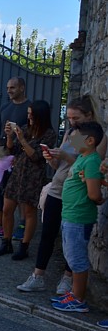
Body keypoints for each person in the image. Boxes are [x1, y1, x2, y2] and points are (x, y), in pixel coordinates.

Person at [17, 95, 107, 293]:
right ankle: (37, 276)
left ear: (89, 115)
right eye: (69, 118)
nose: (72, 122)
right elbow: (61, 166)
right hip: (58, 190)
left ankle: (68, 279)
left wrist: (66, 156)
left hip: (77, 195)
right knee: (48, 234)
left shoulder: (98, 138)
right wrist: (52, 159)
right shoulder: (69, 133)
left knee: (72, 239)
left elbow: (90, 168)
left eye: (76, 118)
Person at [51, 122, 106, 313]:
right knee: (71, 256)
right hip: (71, 215)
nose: (71, 141)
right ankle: (74, 293)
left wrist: (99, 199)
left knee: (77, 259)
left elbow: (93, 193)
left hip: (79, 217)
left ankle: (78, 299)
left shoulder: (91, 160)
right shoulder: (84, 158)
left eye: (76, 138)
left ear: (90, 141)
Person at [0, 100, 57, 259]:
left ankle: (24, 246)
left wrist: (22, 139)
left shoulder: (49, 134)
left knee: (29, 212)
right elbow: (11, 150)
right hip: (18, 174)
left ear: (40, 116)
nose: (28, 117)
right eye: (28, 114)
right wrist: (9, 136)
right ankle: (6, 243)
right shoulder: (25, 129)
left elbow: (35, 156)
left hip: (33, 177)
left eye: (31, 114)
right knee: (7, 209)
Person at [0, 77, 31, 236]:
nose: (9, 90)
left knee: (20, 191)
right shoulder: (4, 108)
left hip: (21, 155)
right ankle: (1, 222)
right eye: (8, 87)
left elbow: (33, 134)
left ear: (22, 88)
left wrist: (24, 155)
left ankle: (23, 225)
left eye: (13, 88)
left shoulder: (30, 108)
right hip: (2, 153)